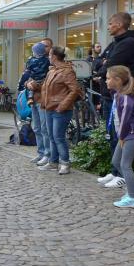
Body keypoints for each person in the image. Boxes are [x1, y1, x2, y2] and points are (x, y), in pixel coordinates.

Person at [96, 13, 134, 189]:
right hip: (109, 95)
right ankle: (115, 171)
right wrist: (103, 64)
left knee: (119, 134)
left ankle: (121, 175)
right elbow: (99, 62)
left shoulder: (128, 43)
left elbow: (110, 66)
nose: (108, 27)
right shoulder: (115, 42)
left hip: (119, 94)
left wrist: (104, 65)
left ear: (120, 24)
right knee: (112, 134)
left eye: (110, 23)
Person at [107, 65, 134, 208]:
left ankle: (132, 198)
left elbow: (125, 120)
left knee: (125, 165)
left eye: (108, 78)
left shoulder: (125, 97)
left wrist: (122, 137)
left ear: (117, 80)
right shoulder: (119, 94)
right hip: (126, 134)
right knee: (116, 161)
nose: (106, 81)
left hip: (132, 134)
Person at [40, 46, 81, 174]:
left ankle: (65, 163)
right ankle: (53, 162)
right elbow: (45, 88)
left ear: (54, 56)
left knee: (58, 137)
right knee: (52, 137)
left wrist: (63, 105)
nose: (48, 57)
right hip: (49, 108)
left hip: (61, 109)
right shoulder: (52, 71)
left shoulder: (67, 71)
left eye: (49, 54)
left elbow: (75, 90)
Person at [22, 40, 51, 164]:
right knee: (37, 128)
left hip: (43, 99)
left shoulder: (48, 64)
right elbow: (25, 78)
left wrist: (35, 85)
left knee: (44, 128)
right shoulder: (33, 62)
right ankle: (40, 153)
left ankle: (47, 154)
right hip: (34, 99)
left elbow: (49, 83)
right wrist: (27, 84)